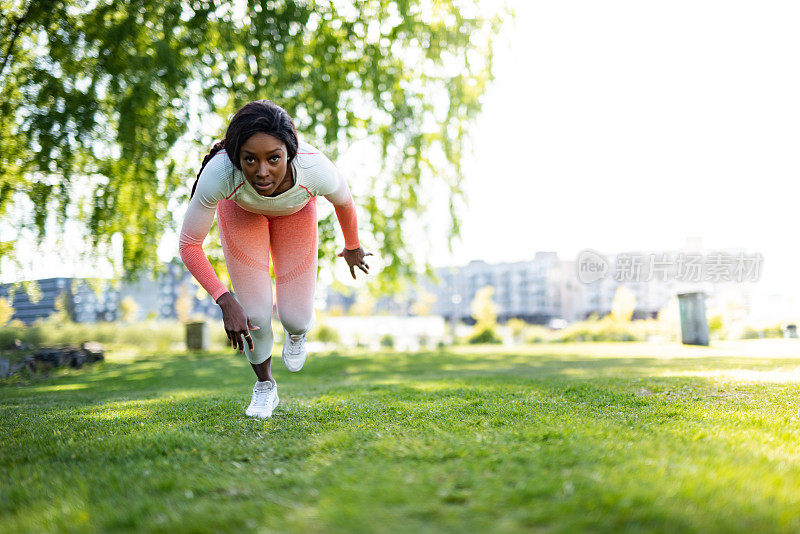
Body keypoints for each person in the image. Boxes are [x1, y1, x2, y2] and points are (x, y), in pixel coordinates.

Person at [178, 100, 372, 419]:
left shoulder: (314, 168)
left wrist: (352, 245)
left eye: (274, 158)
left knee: (295, 317)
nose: (262, 171)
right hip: (242, 215)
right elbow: (189, 244)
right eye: (250, 160)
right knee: (254, 315)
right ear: (236, 156)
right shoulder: (220, 174)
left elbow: (345, 201)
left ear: (289, 153)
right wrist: (225, 299)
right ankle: (266, 386)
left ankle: (296, 334)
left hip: (295, 213)